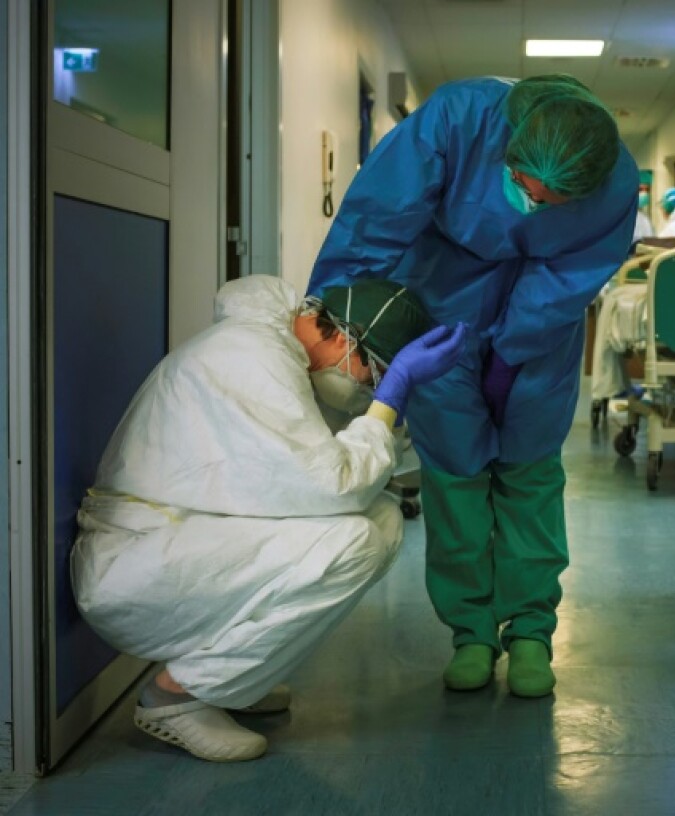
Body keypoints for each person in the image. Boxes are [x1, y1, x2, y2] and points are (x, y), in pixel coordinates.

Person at [308, 74, 638, 698]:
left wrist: (512, 354)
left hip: (543, 320)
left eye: (552, 203)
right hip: (440, 292)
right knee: (455, 468)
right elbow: (377, 217)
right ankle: (471, 632)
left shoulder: (615, 180)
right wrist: (336, 315)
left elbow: (569, 277)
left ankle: (533, 631)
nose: (532, 207)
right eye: (523, 188)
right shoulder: (461, 119)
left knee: (530, 465)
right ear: (508, 153)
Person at [70, 275, 467, 762]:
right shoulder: (253, 360)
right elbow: (334, 485)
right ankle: (175, 696)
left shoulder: (277, 354)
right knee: (356, 539)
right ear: (344, 338)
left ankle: (230, 676)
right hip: (130, 565)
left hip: (172, 539)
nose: (370, 389)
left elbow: (327, 471)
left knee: (379, 518)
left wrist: (388, 403)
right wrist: (390, 401)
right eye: (375, 374)